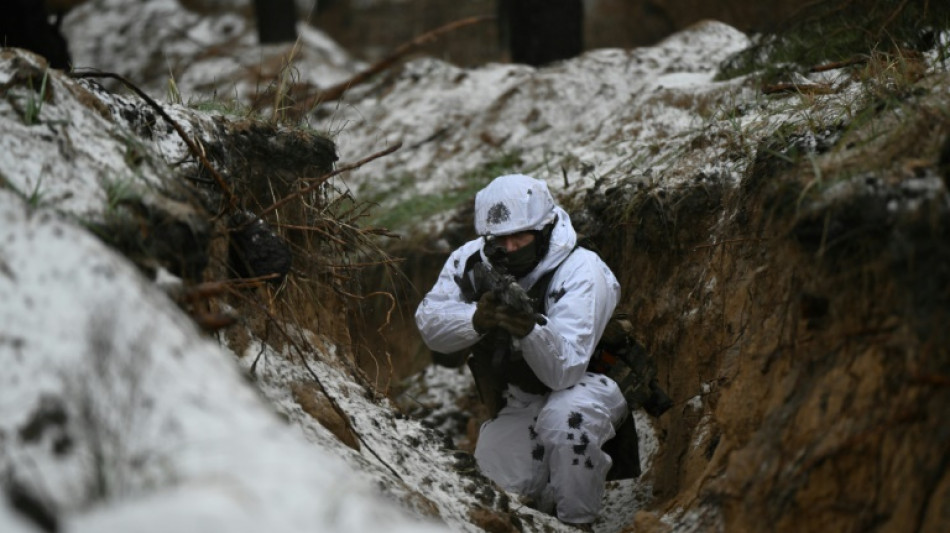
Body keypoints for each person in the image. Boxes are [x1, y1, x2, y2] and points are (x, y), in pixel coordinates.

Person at [415, 174, 626, 526]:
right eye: (501, 239)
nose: (510, 248)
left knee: (565, 422)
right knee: (490, 490)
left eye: (521, 237)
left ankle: (578, 522)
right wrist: (476, 319)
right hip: (522, 396)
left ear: (543, 229)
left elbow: (566, 371)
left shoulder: (582, 269)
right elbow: (429, 324)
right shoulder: (471, 261)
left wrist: (530, 328)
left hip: (589, 386)